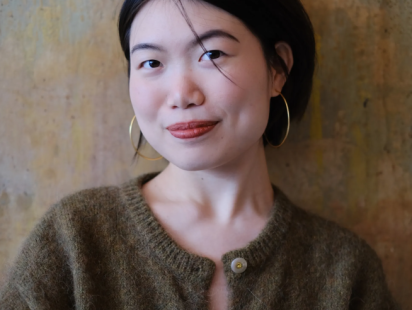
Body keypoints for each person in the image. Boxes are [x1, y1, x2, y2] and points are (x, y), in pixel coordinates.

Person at [0, 0, 400, 309]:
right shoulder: (73, 241)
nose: (181, 95)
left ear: (277, 69)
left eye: (212, 55)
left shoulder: (344, 270)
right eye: (151, 62)